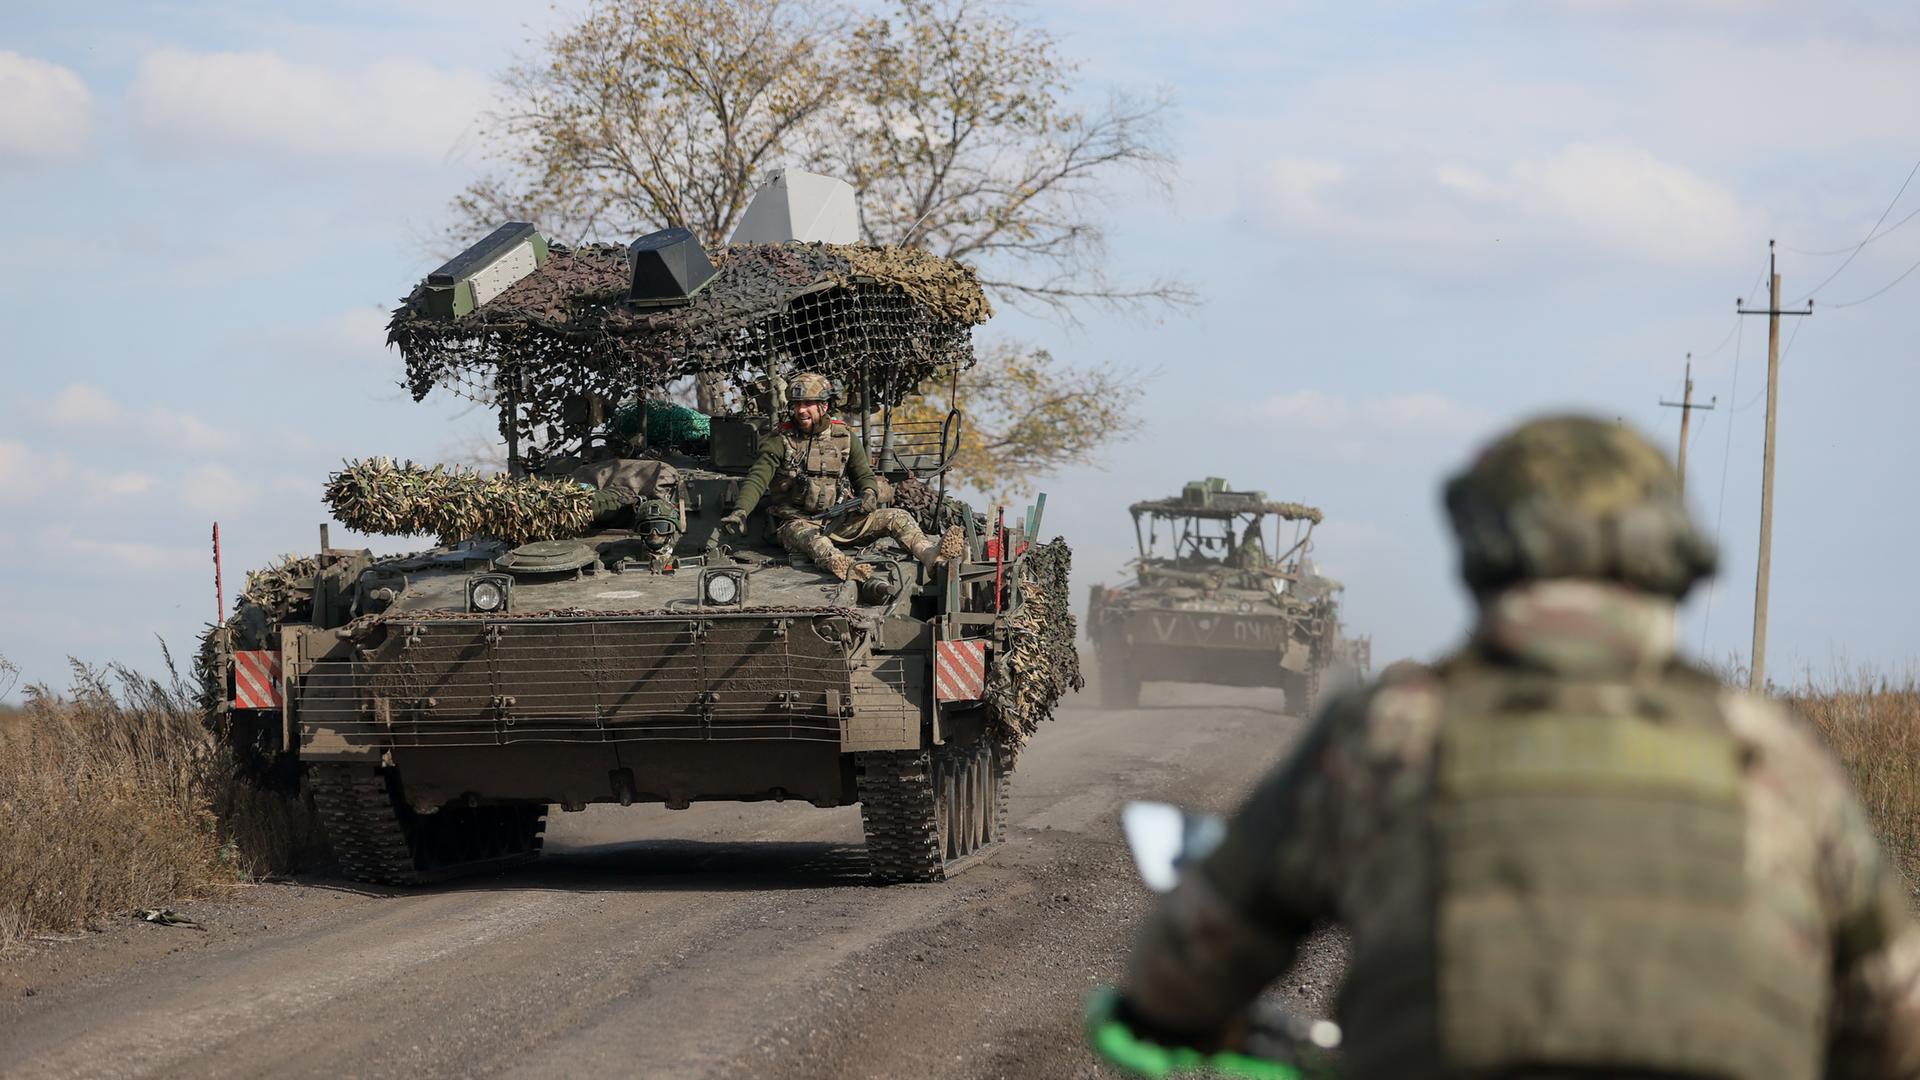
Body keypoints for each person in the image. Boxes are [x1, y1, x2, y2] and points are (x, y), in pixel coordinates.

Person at [1100, 415, 1920, 1080]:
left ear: (1483, 548)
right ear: (1672, 557)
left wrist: (1168, 1009)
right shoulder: (1778, 756)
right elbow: (1897, 1017)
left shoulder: (1392, 733)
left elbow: (1194, 962)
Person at [720, 372, 962, 581]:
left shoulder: (844, 437)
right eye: (796, 404)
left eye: (807, 403)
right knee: (811, 538)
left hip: (841, 520)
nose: (800, 410)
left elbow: (864, 475)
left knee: (898, 517)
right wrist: (740, 512)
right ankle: (844, 566)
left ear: (823, 406)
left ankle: (931, 556)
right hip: (796, 523)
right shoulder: (779, 440)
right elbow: (758, 478)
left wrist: (868, 494)